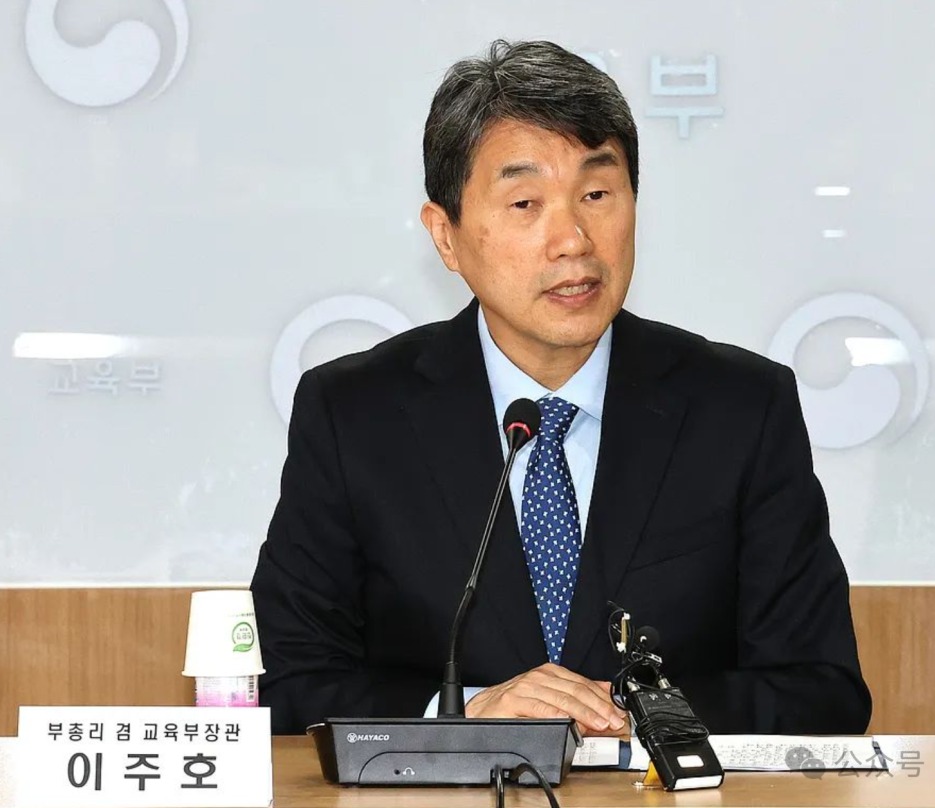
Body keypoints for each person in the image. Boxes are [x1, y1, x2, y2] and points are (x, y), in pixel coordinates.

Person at [250, 39, 872, 737]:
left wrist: (630, 712)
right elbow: (286, 682)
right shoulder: (355, 416)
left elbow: (822, 691)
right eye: (524, 202)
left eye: (597, 194)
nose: (573, 239)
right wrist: (464, 713)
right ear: (446, 236)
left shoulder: (741, 409)